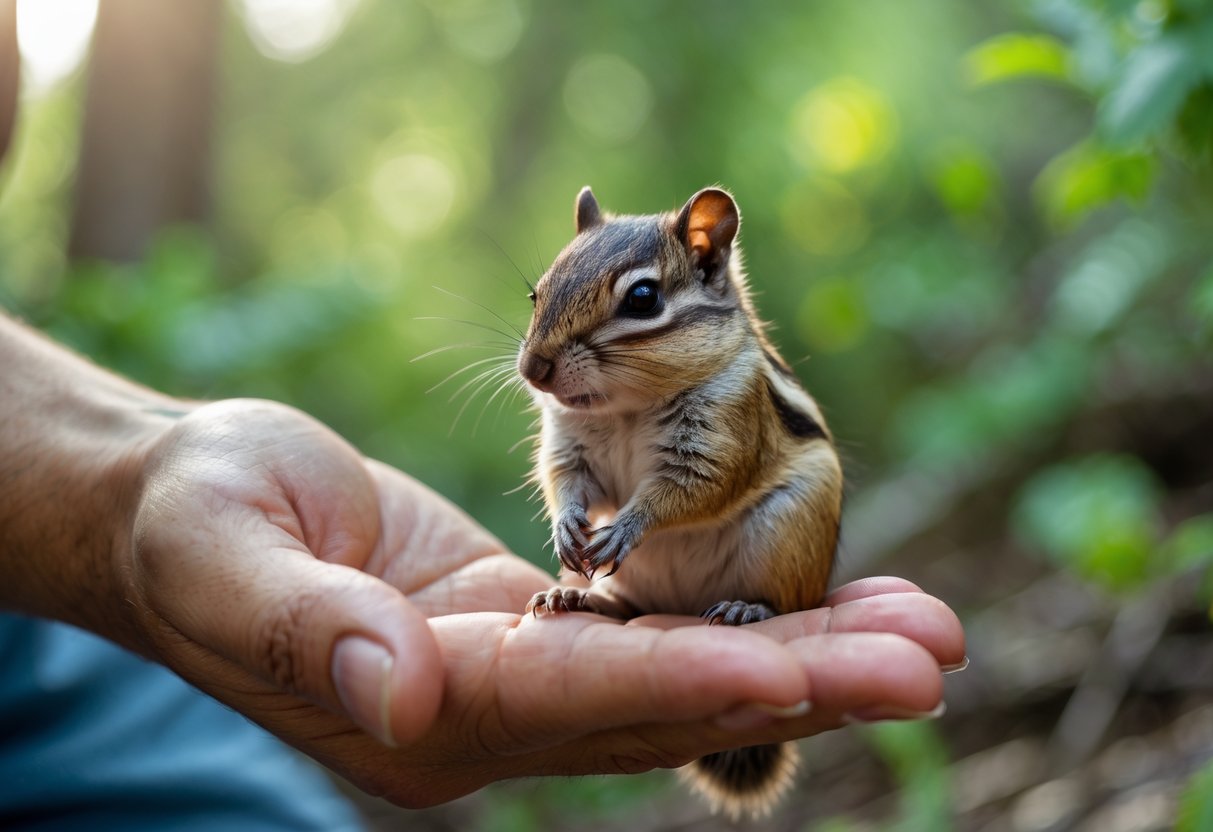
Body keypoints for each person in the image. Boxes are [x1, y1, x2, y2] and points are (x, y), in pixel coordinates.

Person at [0, 8, 964, 828]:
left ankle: (750, 608)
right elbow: (567, 472)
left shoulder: (724, 380)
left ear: (706, 268)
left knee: (803, 481)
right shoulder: (577, 385)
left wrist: (632, 521)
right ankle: (629, 607)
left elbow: (711, 478)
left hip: (749, 544)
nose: (543, 363)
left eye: (627, 311)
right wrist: (575, 511)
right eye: (541, 321)